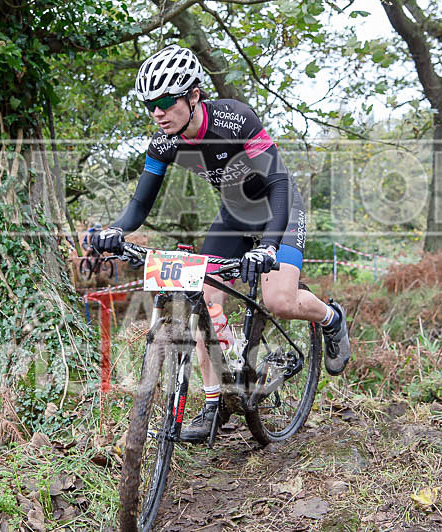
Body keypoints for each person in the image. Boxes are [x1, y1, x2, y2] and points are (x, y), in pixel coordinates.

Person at [91, 45, 351, 442]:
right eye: (150, 105)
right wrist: (115, 232)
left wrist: (266, 246)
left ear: (193, 95)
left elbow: (278, 182)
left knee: (279, 301)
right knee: (202, 299)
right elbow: (139, 204)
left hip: (279, 211)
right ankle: (214, 406)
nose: (157, 113)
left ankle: (331, 318)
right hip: (233, 217)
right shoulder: (164, 142)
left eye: (165, 101)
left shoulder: (234, 119)